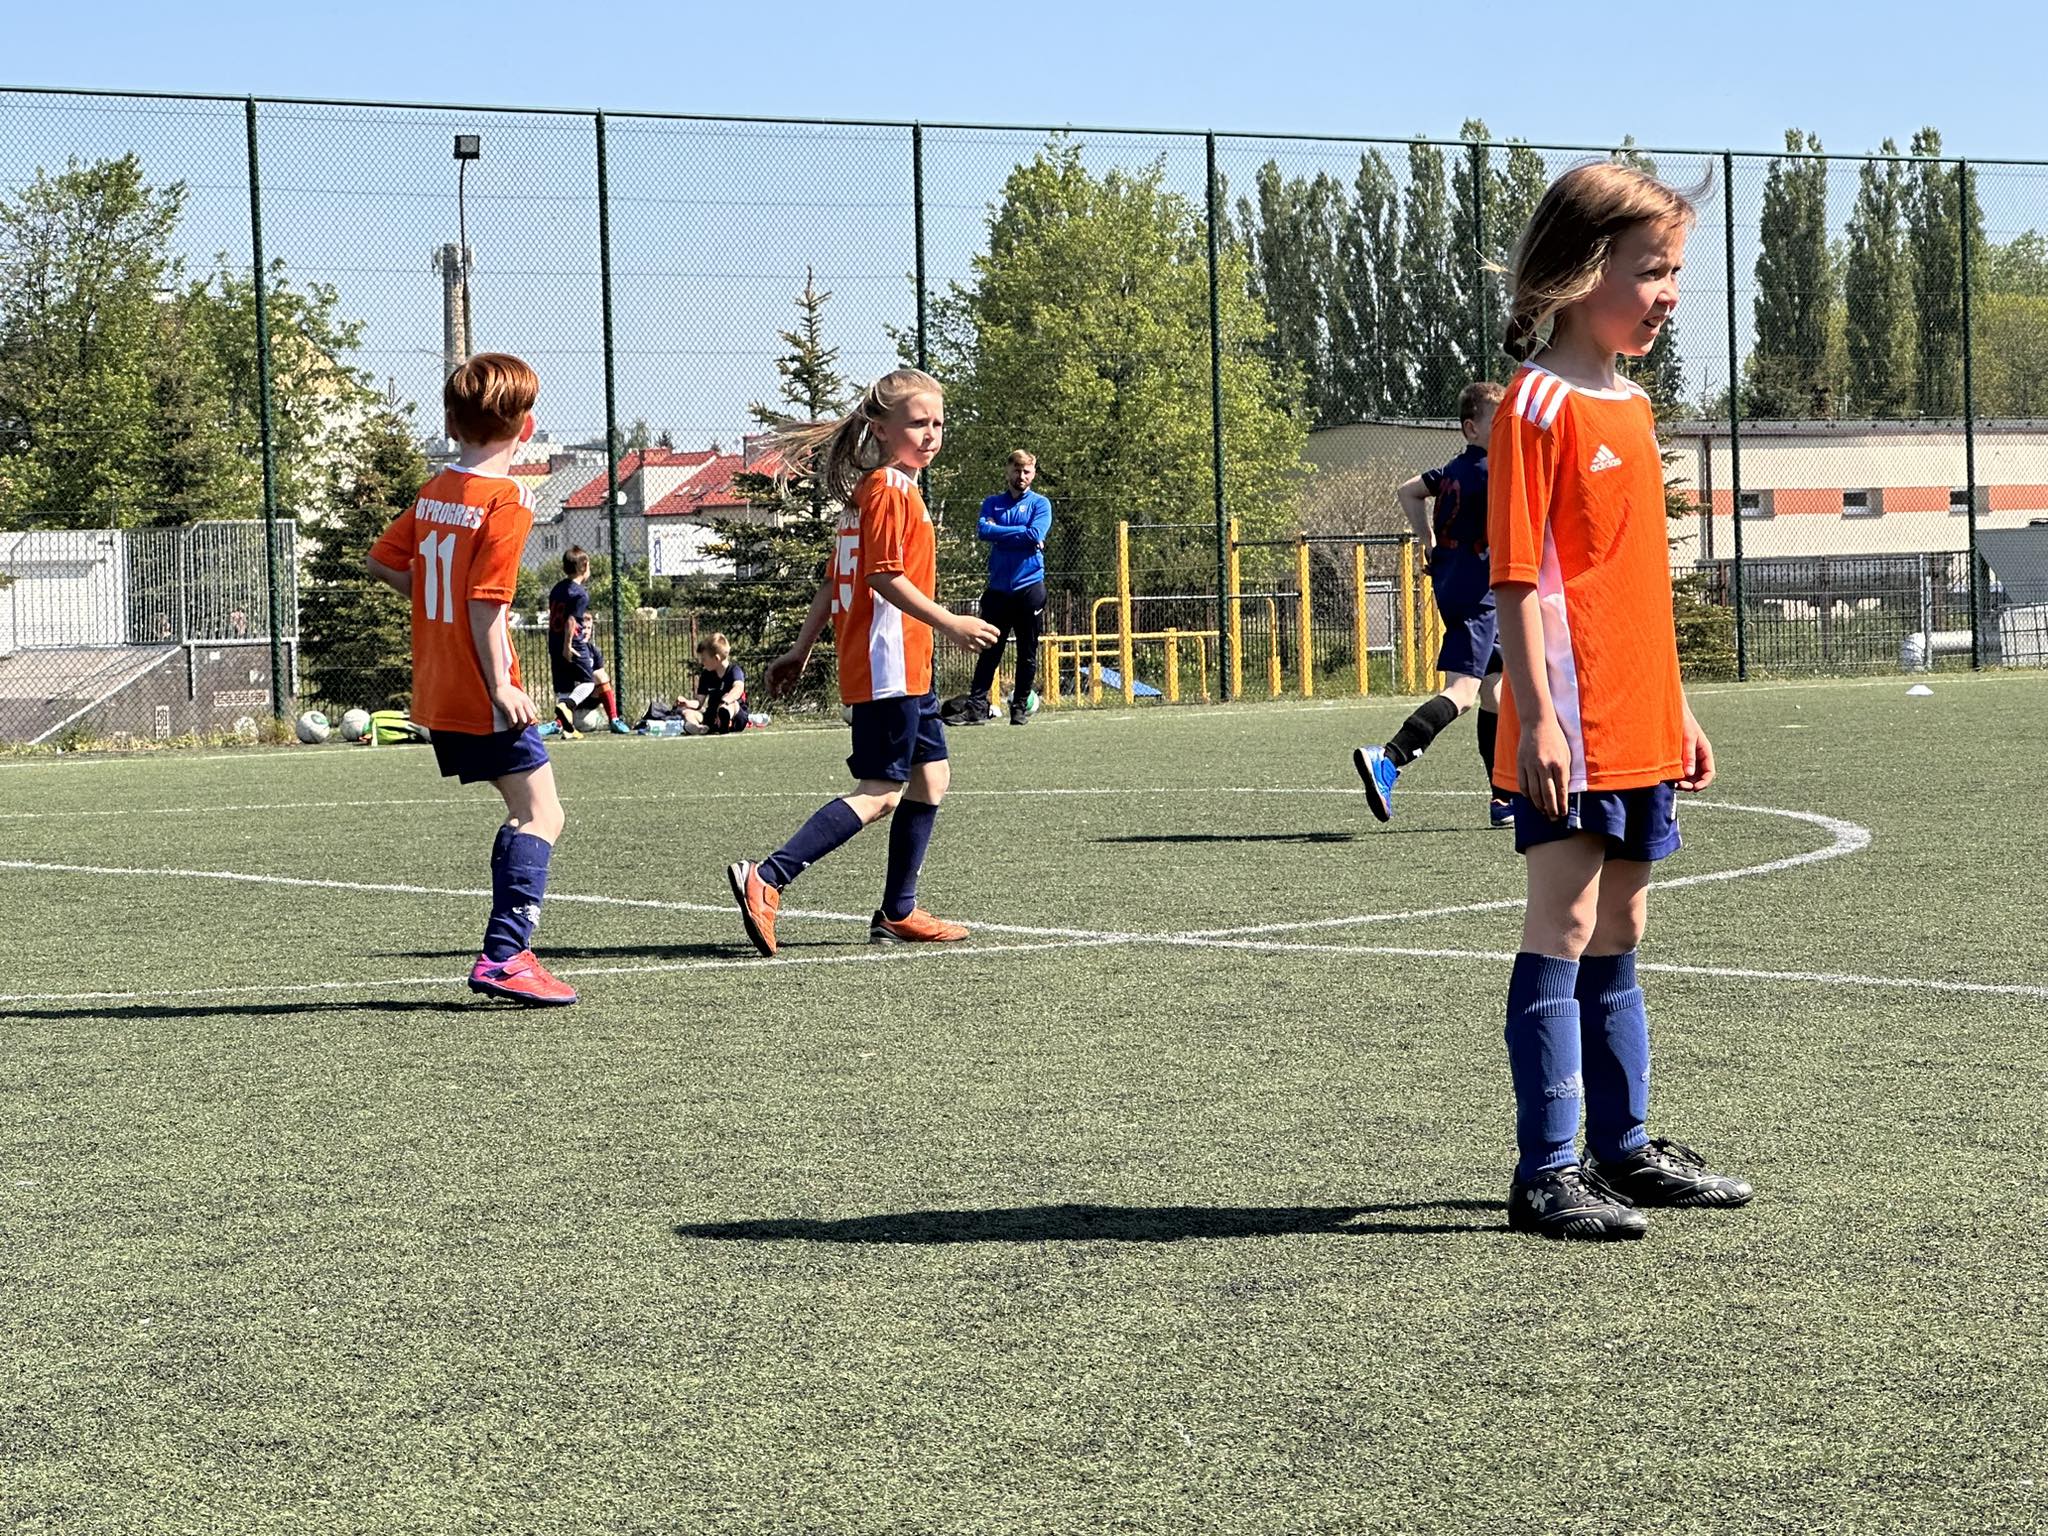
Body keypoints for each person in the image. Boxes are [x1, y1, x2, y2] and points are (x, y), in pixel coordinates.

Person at [1487, 163, 1750, 1239]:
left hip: (1640, 715)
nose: (1668, 294)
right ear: (1577, 270)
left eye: (1673, 272)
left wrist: (1675, 705)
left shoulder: (1633, 407)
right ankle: (1546, 1171)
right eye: (1650, 271)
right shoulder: (1533, 406)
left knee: (1623, 921)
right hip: (1572, 718)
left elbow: (1635, 581)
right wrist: (1540, 719)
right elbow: (1515, 578)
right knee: (1563, 919)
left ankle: (1623, 1149)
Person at [726, 368, 998, 957]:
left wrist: (800, 649)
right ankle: (767, 876)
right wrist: (950, 622)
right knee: (880, 792)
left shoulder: (871, 493)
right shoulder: (889, 490)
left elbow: (834, 581)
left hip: (904, 665)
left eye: (939, 423)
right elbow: (882, 576)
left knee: (931, 778)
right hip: (888, 664)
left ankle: (898, 911)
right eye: (918, 423)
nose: (932, 433)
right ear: (880, 429)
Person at [366, 352, 575, 1006]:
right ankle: (505, 956)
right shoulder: (508, 500)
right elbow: (487, 604)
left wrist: (435, 603)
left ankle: (508, 951)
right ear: (527, 426)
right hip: (484, 689)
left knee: (524, 811)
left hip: (440, 686)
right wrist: (502, 684)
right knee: (542, 813)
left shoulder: (437, 492)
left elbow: (383, 561)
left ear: (452, 425)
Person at [1354, 382, 1511, 828]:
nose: (1508, 429)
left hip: (1454, 584)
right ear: (1471, 428)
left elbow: (1408, 491)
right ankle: (1388, 758)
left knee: (1496, 692)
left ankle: (1502, 798)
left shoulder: (1451, 471)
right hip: (1478, 594)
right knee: (1463, 693)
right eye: (1498, 422)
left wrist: (1429, 541)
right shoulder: (1492, 472)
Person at [942, 449, 1051, 727]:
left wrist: (1001, 532)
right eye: (1016, 470)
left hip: (1029, 588)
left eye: (1026, 471)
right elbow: (984, 531)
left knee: (1027, 652)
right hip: (998, 590)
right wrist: (1020, 533)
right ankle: (976, 708)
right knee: (989, 650)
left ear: (1033, 474)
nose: (1021, 476)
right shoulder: (993, 503)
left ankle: (1019, 708)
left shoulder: (1040, 504)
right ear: (1007, 471)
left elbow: (1035, 534)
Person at [540, 547, 629, 737]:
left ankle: (566, 727)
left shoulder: (557, 588)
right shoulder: (580, 594)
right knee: (588, 683)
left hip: (554, 642)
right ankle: (567, 707)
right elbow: (571, 621)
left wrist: (560, 644)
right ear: (584, 566)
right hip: (572, 644)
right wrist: (568, 646)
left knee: (564, 689)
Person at [677, 632, 749, 734]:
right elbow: (699, 702)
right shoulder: (706, 675)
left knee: (730, 705)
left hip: (735, 716)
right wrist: (687, 703)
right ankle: (699, 728)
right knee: (687, 713)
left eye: (704, 659)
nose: (702, 662)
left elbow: (738, 688)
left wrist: (725, 702)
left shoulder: (734, 670)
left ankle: (725, 722)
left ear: (716, 658)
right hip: (712, 715)